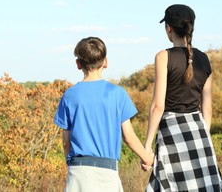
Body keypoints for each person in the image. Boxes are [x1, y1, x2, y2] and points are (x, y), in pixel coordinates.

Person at [54, 36, 154, 192]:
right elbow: (129, 137)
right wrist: (147, 158)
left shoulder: (69, 95)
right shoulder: (117, 94)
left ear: (78, 64)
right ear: (105, 62)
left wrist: (71, 164)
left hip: (78, 171)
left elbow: (66, 142)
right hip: (107, 172)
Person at [143, 4, 222, 191]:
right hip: (199, 130)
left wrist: (147, 146)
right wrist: (205, 136)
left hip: (172, 131)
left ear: (169, 28)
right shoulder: (204, 59)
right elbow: (208, 108)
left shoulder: (163, 57)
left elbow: (157, 106)